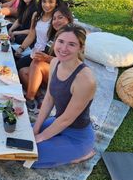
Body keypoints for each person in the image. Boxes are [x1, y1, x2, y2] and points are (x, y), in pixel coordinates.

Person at [32, 24, 96, 168]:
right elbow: (49, 98)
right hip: (58, 122)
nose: (63, 48)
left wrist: (40, 137)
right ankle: (57, 147)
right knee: (20, 138)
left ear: (81, 48)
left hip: (77, 136)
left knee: (29, 155)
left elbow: (67, 119)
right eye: (61, 41)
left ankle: (81, 155)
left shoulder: (85, 80)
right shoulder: (55, 62)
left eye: (71, 44)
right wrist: (36, 128)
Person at [22, 4, 74, 110]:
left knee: (37, 64)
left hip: (66, 75)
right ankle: (40, 95)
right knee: (23, 71)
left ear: (68, 19)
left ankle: (29, 98)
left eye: (60, 17)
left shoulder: (71, 37)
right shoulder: (55, 34)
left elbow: (70, 63)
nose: (56, 21)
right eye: (54, 18)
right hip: (53, 70)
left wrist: (47, 58)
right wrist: (41, 55)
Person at [15, 0, 63, 73]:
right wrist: (21, 48)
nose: (47, 5)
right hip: (34, 52)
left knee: (18, 69)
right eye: (44, 1)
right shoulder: (37, 15)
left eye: (51, 2)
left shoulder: (56, 20)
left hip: (44, 56)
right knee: (14, 60)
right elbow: (31, 35)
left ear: (56, 3)